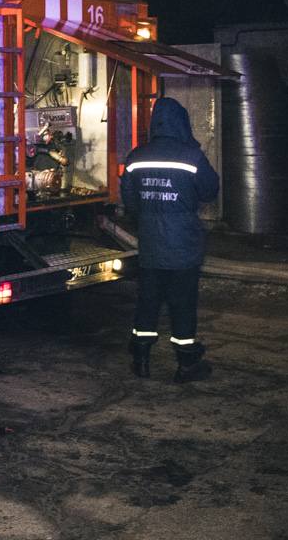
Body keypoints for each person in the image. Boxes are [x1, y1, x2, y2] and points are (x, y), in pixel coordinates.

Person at [120, 97, 220, 383]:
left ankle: (141, 359)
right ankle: (186, 363)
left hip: (150, 245)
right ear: (181, 121)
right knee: (182, 303)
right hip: (183, 246)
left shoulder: (136, 157)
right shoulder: (192, 157)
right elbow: (209, 191)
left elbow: (130, 202)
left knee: (148, 301)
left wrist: (151, 214)